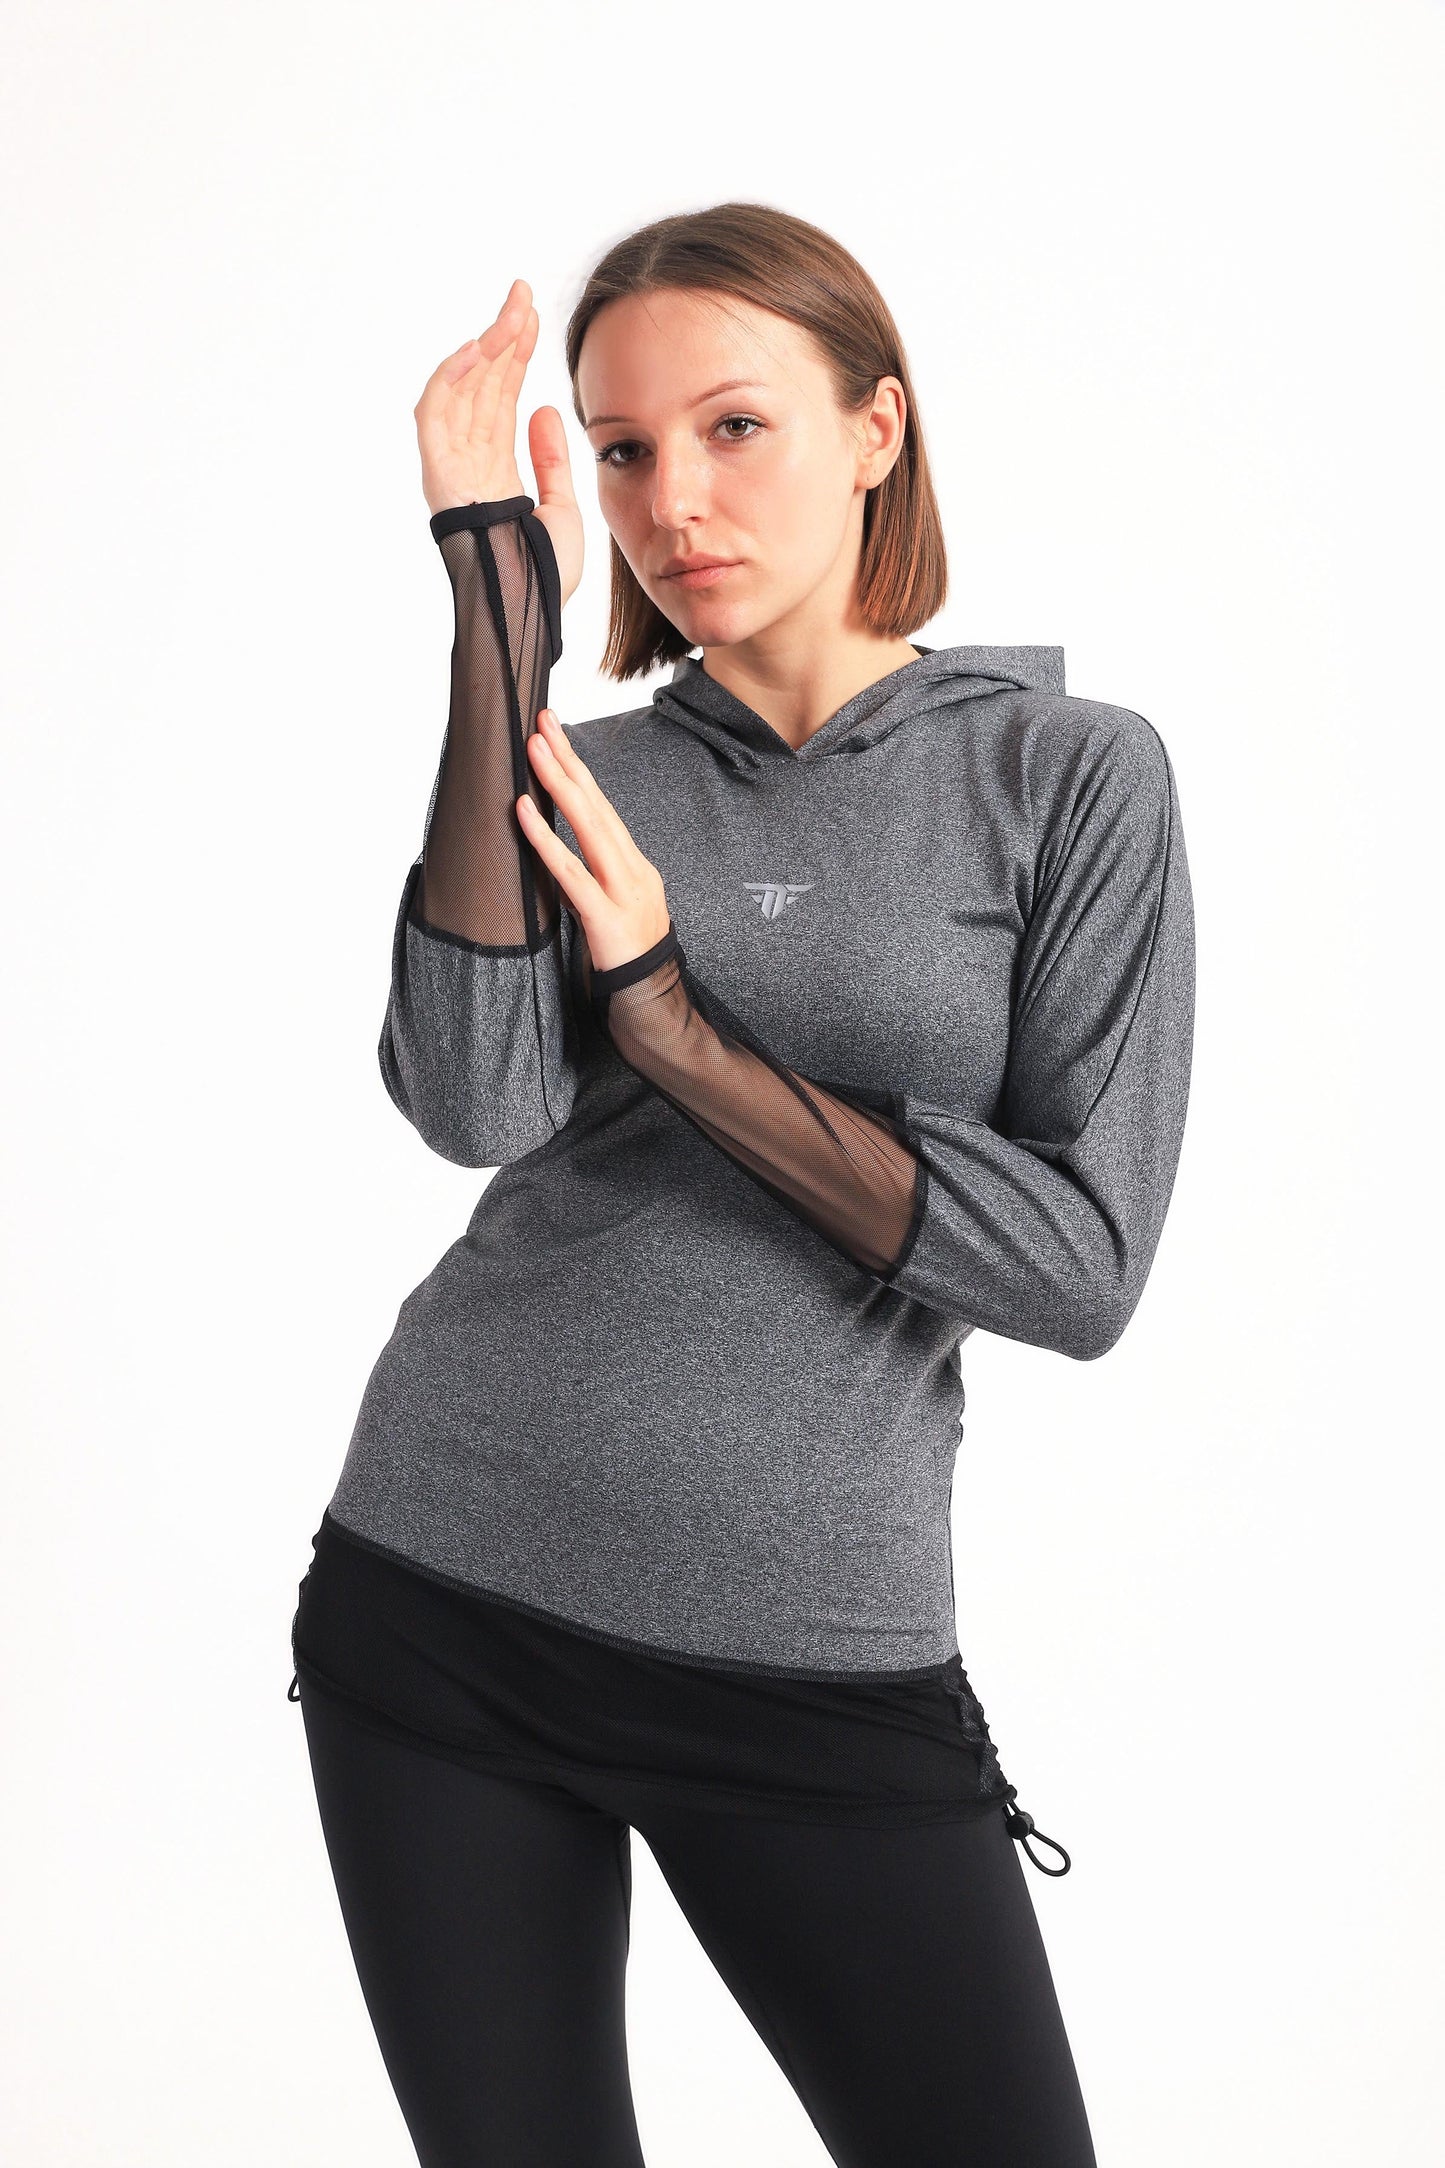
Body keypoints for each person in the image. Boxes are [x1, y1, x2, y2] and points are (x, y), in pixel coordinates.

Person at [287, 201, 1195, 2167]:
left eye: (732, 427)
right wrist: (496, 623)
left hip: (815, 1657)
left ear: (875, 427)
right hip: (441, 1594)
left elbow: (1081, 1265)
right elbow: (472, 1102)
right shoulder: (594, 769)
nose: (671, 501)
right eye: (621, 450)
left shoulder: (1065, 775)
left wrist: (676, 1023)